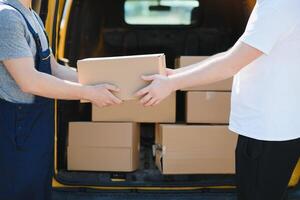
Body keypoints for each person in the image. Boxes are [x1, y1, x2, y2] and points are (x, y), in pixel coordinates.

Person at [136, 0, 300, 199]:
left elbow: (231, 64)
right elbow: (233, 55)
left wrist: (172, 84)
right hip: (272, 128)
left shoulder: (278, 5)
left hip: (267, 132)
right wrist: (176, 75)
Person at [0, 0, 122, 199]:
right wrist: (89, 93)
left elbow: (54, 69)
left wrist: (107, 81)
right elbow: (30, 82)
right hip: (16, 130)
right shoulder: (6, 18)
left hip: (35, 128)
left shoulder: (31, 15)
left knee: (37, 188)